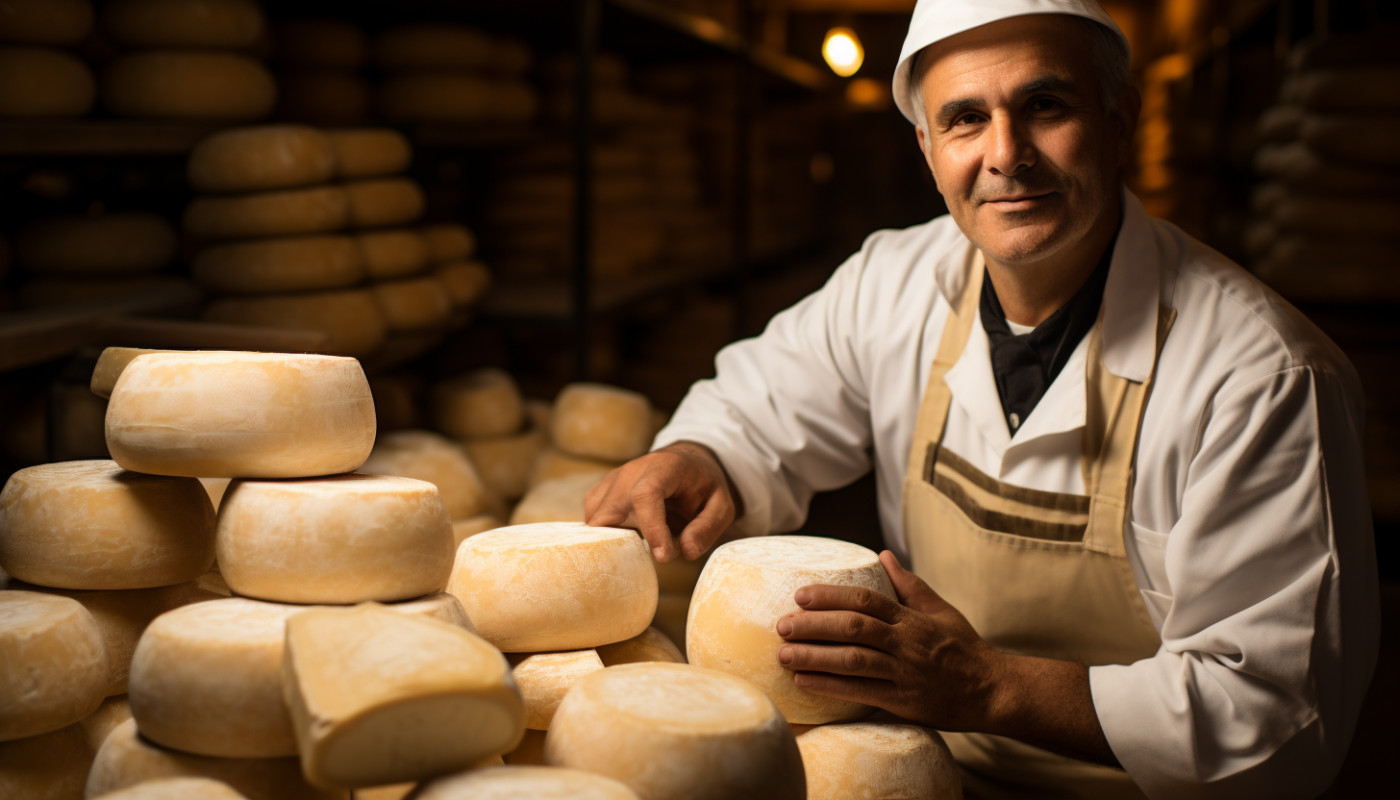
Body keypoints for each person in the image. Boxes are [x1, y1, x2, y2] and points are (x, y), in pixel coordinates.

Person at [585, 0, 1380, 796]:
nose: (1006, 154)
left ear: (1119, 117)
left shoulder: (1260, 378)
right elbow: (762, 401)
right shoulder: (892, 283)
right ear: (927, 147)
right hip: (933, 771)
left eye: (1045, 105)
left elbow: (1275, 723)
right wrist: (701, 456)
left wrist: (990, 687)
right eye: (966, 119)